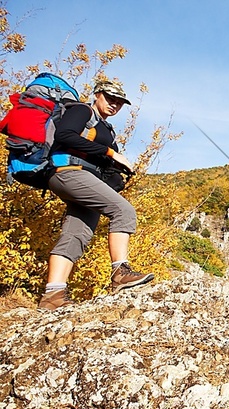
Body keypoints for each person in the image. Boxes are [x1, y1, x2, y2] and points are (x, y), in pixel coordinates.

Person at [37, 80, 154, 311]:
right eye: (110, 98)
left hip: (82, 179)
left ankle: (53, 295)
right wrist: (110, 152)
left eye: (119, 102)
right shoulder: (82, 111)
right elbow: (65, 135)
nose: (114, 104)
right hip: (68, 172)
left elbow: (103, 161)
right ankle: (120, 271)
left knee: (76, 234)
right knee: (123, 210)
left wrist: (117, 171)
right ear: (97, 94)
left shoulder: (105, 129)